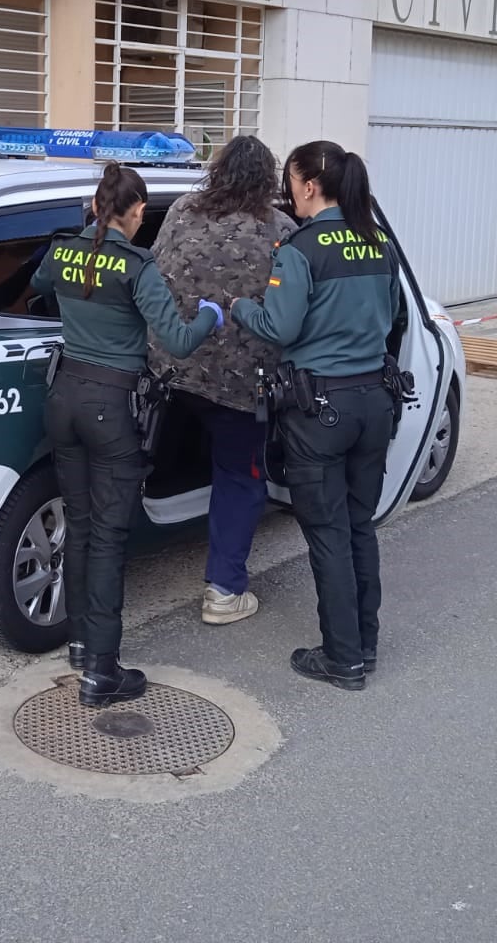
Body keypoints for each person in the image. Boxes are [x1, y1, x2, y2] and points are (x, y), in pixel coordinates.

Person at [30, 161, 223, 707]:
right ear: (135, 211)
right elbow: (181, 341)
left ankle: (77, 643)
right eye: (142, 213)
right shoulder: (138, 268)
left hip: (62, 398)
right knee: (111, 536)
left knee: (81, 525)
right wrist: (212, 315)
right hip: (111, 408)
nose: (143, 221)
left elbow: (39, 287)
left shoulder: (64, 250)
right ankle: (102, 670)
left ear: (94, 207)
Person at [230, 140, 406, 691]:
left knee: (327, 534)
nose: (289, 193)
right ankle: (365, 645)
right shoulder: (378, 243)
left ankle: (341, 658)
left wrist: (240, 309)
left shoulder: (300, 250)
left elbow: (279, 328)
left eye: (291, 183)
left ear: (309, 186)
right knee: (359, 527)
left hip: (319, 411)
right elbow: (397, 319)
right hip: (375, 403)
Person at [148, 135, 292, 626]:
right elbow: (294, 313)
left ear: (218, 168)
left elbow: (154, 273)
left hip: (171, 368)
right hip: (240, 385)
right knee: (238, 479)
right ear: (267, 178)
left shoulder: (182, 210)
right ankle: (224, 592)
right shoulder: (280, 229)